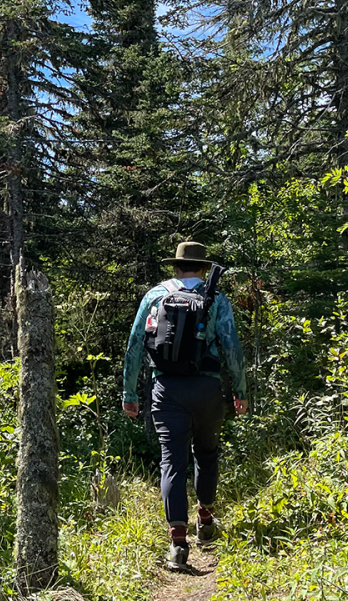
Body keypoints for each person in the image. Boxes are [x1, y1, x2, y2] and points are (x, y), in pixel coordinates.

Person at [122, 241, 248, 571]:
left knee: (171, 462)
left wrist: (129, 393)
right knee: (206, 453)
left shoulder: (154, 296)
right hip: (206, 386)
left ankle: (178, 545)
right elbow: (231, 345)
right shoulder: (216, 298)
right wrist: (240, 389)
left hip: (166, 389)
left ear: (175, 267)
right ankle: (205, 519)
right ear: (204, 269)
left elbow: (135, 344)